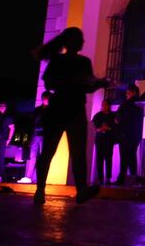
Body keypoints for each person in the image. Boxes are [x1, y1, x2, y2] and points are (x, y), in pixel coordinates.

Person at [34, 27, 110, 205]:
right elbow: (50, 83)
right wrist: (75, 81)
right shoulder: (65, 61)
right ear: (72, 42)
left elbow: (87, 86)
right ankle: (42, 189)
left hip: (66, 109)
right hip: (67, 109)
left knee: (68, 152)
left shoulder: (81, 61)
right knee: (52, 151)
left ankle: (78, 190)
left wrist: (99, 83)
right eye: (81, 38)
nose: (83, 42)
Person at [115, 85, 143, 186]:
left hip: (125, 134)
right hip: (136, 135)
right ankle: (133, 178)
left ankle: (121, 179)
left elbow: (118, 119)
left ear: (133, 92)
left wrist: (117, 121)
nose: (126, 95)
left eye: (128, 93)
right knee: (132, 156)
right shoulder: (141, 104)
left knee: (124, 157)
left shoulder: (126, 104)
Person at [24, 92, 51, 183]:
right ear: (42, 98)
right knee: (33, 156)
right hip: (36, 135)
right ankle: (29, 176)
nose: (46, 99)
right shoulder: (37, 110)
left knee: (42, 157)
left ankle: (37, 177)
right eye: (45, 98)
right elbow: (31, 123)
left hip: (45, 135)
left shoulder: (51, 110)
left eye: (47, 98)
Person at [92, 102, 118, 185]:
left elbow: (116, 126)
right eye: (103, 105)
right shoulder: (98, 115)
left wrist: (108, 128)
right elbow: (94, 125)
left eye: (106, 104)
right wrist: (100, 129)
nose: (104, 106)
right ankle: (100, 178)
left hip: (109, 139)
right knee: (99, 158)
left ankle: (108, 178)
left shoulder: (113, 115)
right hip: (99, 139)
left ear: (109, 105)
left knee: (108, 158)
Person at [0, 101, 16, 182]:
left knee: (0, 157)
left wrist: (9, 139)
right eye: (1, 106)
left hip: (3, 139)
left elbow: (12, 128)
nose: (2, 107)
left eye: (4, 106)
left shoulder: (7, 117)